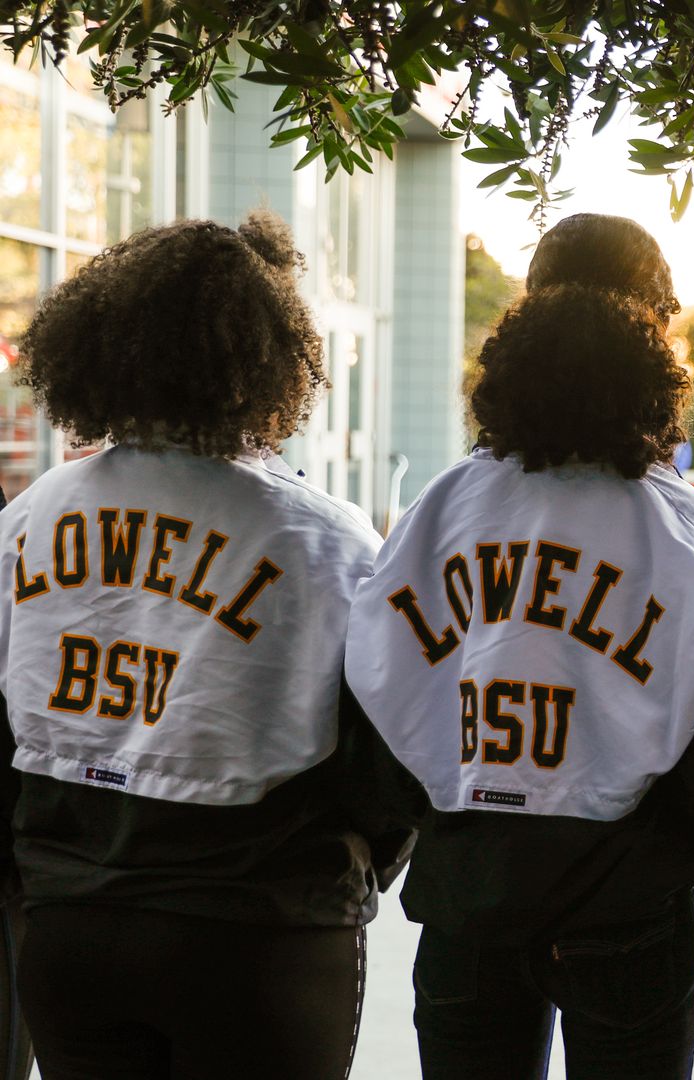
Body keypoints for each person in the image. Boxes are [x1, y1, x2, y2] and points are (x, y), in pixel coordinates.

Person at [0, 213, 415, 1077]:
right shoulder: (326, 539)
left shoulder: (33, 515)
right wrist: (368, 859)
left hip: (71, 924)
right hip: (259, 933)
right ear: (269, 361)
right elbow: (387, 756)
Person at [347, 275, 694, 1076]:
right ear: (650, 392)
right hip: (628, 895)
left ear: (505, 382)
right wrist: (689, 848)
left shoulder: (442, 505)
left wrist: (427, 817)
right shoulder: (687, 521)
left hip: (472, 886)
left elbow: (375, 680)